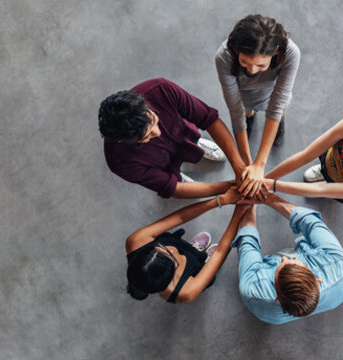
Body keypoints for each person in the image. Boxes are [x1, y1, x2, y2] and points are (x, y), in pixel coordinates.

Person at [99, 78, 247, 199]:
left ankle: (196, 143)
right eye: (147, 136)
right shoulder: (120, 163)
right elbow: (173, 188)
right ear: (122, 141)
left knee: (190, 136)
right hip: (162, 167)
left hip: (183, 133)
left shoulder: (161, 89)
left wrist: (239, 168)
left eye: (155, 121)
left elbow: (209, 119)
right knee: (173, 179)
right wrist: (230, 186)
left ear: (143, 102)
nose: (157, 132)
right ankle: (178, 175)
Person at [234, 191, 343, 324]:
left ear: (276, 298)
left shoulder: (253, 290)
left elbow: (248, 242)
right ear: (317, 279)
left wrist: (250, 205)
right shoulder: (342, 267)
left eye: (278, 270)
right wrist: (268, 197)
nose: (285, 259)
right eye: (294, 262)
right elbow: (311, 223)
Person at [215, 14, 300, 198]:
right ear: (237, 50)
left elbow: (277, 104)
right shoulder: (224, 56)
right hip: (244, 96)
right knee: (246, 113)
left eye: (261, 65)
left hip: (272, 95)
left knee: (280, 112)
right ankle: (251, 117)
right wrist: (247, 165)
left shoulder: (291, 52)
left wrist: (259, 165)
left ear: (276, 51)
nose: (251, 70)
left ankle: (277, 125)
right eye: (244, 62)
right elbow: (235, 108)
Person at [126, 187, 250, 304]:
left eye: (160, 247)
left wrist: (221, 200)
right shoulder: (185, 292)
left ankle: (193, 249)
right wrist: (239, 212)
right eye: (171, 256)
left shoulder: (136, 241)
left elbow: (180, 217)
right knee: (210, 269)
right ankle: (206, 262)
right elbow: (219, 253)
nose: (173, 251)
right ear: (172, 272)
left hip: (181, 247)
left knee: (188, 250)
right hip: (195, 272)